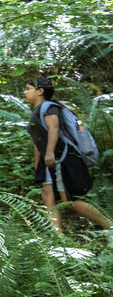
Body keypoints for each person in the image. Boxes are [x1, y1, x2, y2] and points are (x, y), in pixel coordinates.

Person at [24, 78, 110, 233]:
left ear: (40, 91)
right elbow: (37, 140)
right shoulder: (36, 112)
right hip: (49, 160)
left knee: (69, 201)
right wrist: (38, 164)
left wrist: (49, 152)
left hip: (63, 157)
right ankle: (58, 240)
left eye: (28, 88)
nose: (25, 92)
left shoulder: (49, 107)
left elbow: (54, 128)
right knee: (47, 196)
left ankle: (109, 226)